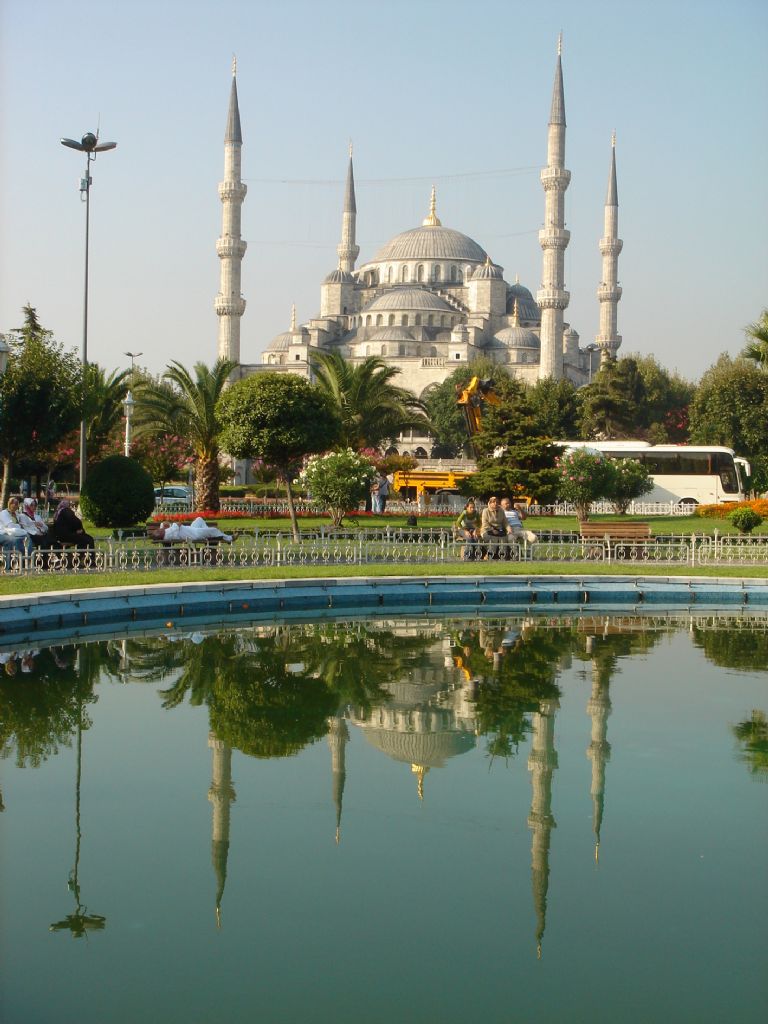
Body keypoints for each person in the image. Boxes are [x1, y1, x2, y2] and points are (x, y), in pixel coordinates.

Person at [148, 517, 233, 543]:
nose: (159, 529)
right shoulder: (168, 533)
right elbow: (179, 523)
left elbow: (164, 523)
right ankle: (230, 539)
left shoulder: (165, 531)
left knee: (199, 519)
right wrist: (169, 525)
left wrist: (164, 526)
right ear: (160, 535)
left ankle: (210, 536)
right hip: (194, 534)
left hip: (192, 529)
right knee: (214, 530)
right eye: (158, 531)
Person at [0, 497, 29, 566]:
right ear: (9, 504)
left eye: (16, 504)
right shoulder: (4, 513)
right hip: (3, 533)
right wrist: (19, 526)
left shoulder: (17, 514)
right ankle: (9, 565)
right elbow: (10, 526)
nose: (15, 505)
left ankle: (25, 561)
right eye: (13, 503)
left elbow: (23, 524)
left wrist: (19, 526)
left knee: (27, 537)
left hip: (13, 533)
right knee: (14, 540)